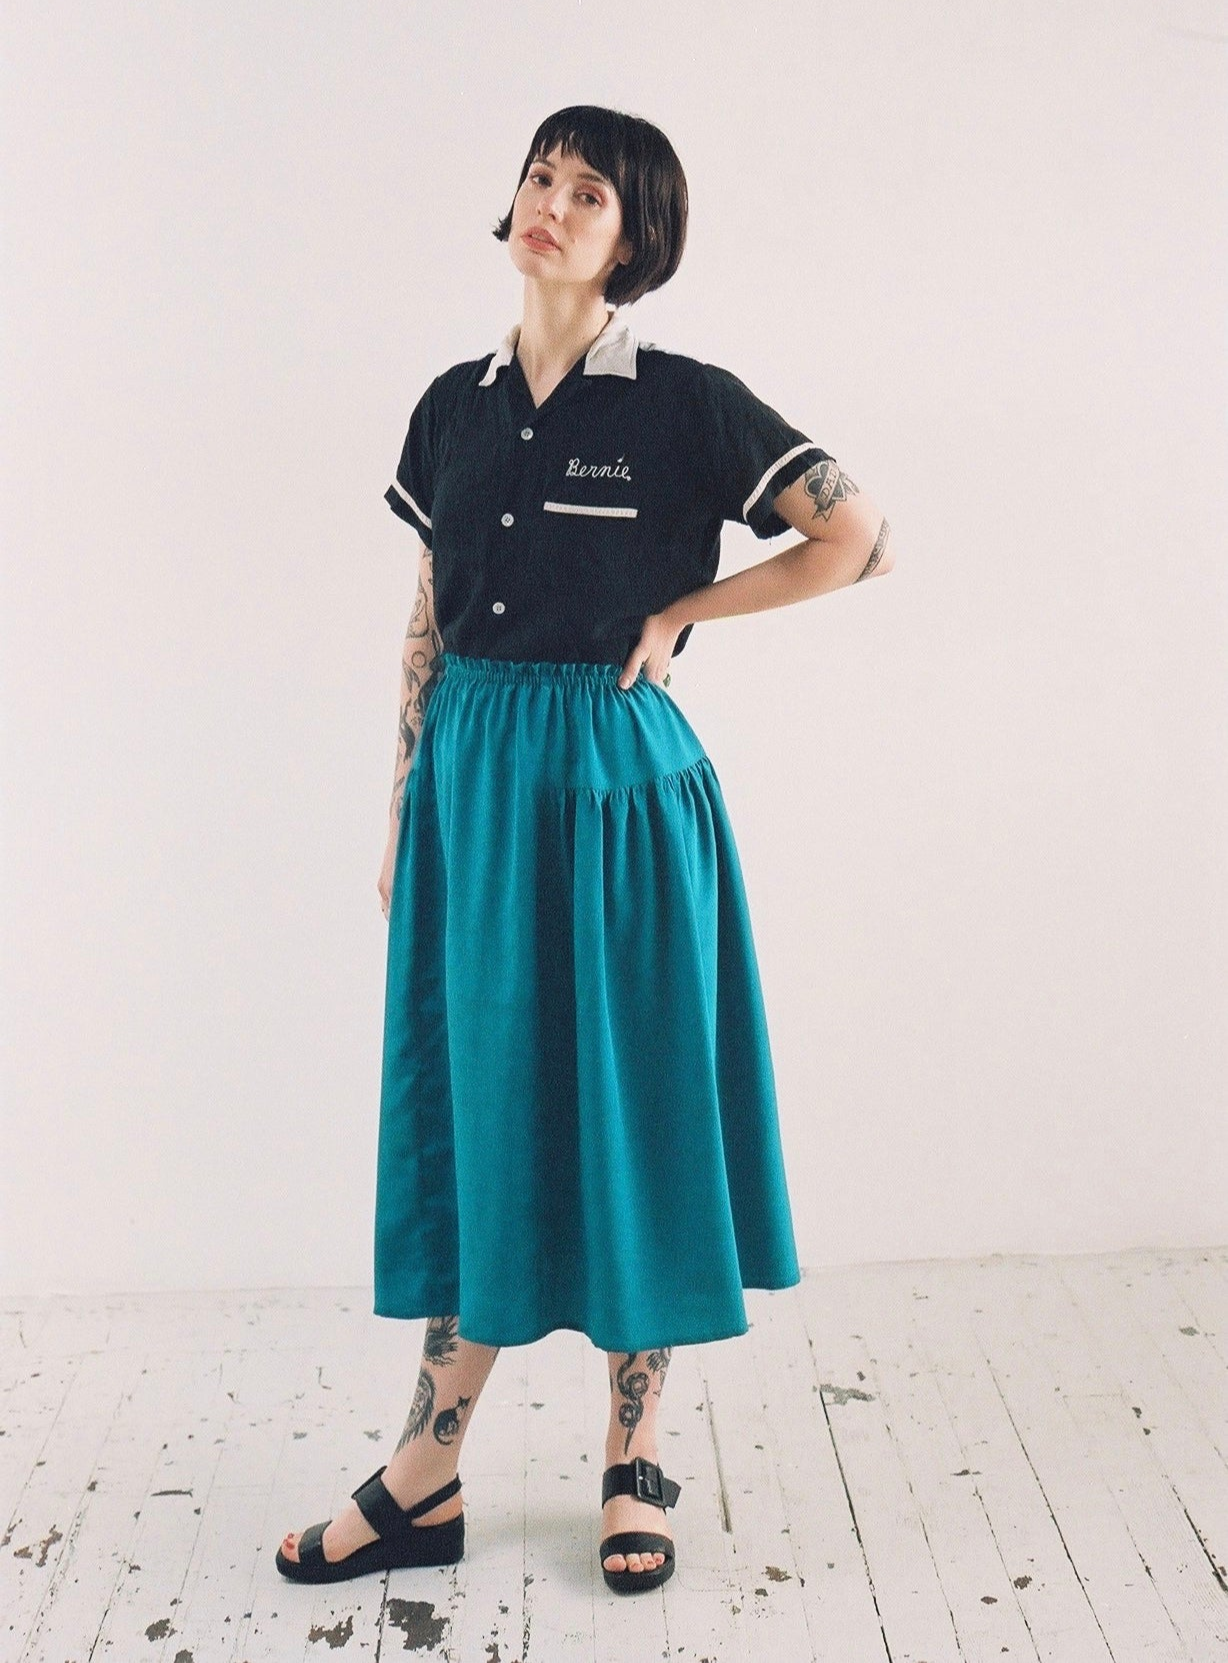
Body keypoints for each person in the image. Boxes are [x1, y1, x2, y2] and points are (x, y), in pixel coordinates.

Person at [277, 104, 894, 1596]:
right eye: (539, 177)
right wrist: (403, 805)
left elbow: (859, 537)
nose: (550, 203)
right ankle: (427, 1468)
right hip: (474, 785)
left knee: (633, 1105)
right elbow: (428, 613)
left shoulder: (686, 404)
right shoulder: (453, 407)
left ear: (637, 239)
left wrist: (683, 612)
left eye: (590, 192)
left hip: (619, 790)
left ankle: (633, 1453)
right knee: (476, 1105)